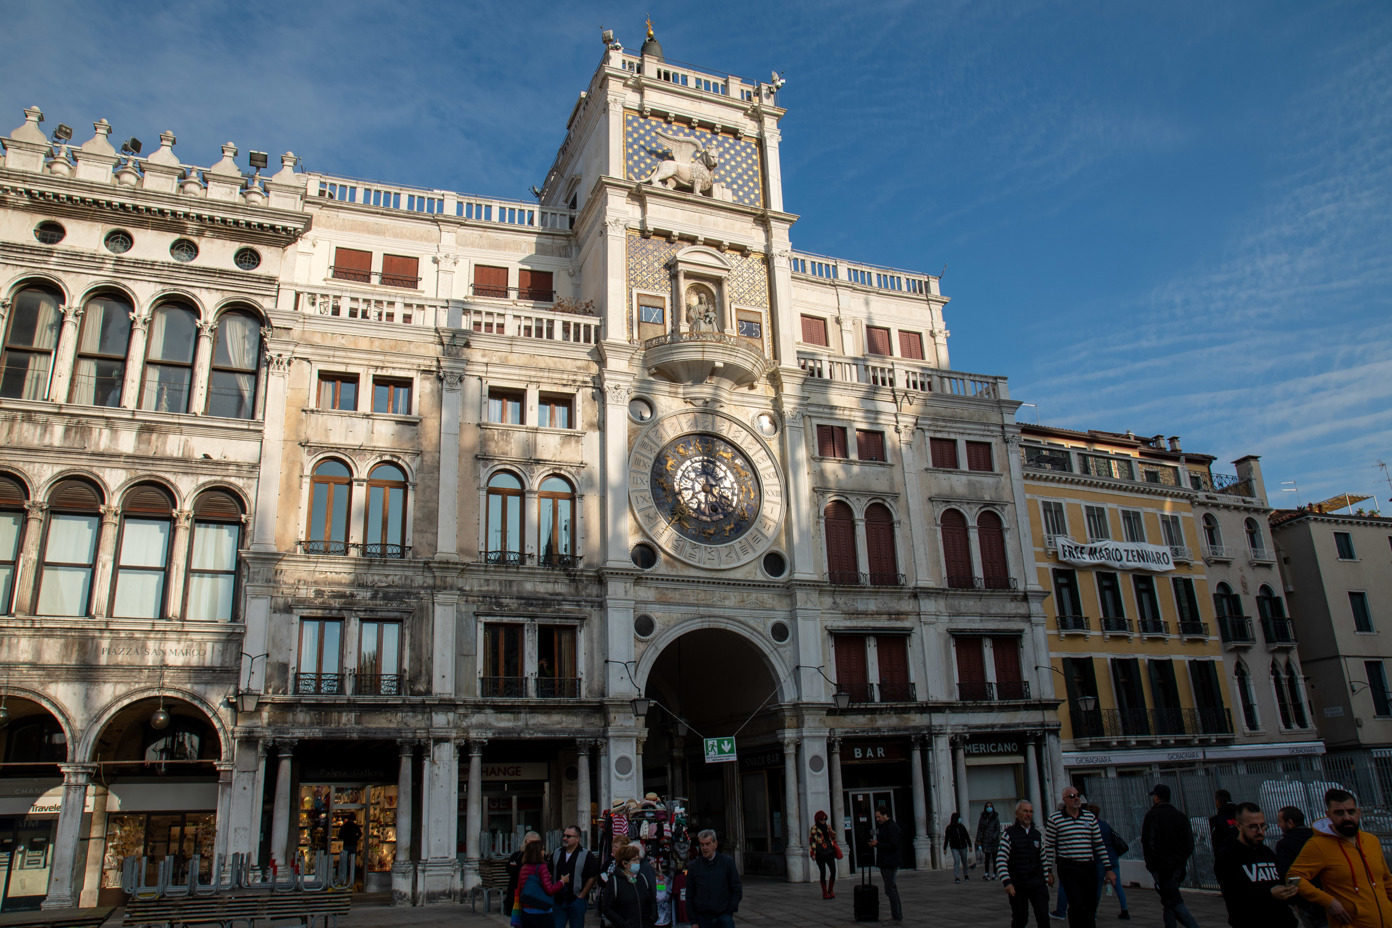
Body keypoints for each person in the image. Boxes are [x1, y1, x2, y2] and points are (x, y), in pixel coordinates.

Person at [1290, 788, 1392, 928]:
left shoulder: (1371, 841)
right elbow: (1293, 878)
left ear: (1358, 812)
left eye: (1351, 811)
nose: (1347, 817)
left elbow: (1386, 880)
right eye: (1339, 813)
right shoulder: (1318, 845)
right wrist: (1328, 902)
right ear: (1329, 815)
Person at [1214, 801, 1297, 928]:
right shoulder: (1228, 856)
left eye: (1263, 826)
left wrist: (1288, 891)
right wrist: (1269, 895)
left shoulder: (1267, 852)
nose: (1260, 831)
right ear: (1238, 826)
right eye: (1253, 826)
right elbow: (1235, 898)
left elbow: (1278, 882)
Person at [1044, 787, 1114, 928]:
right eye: (1071, 796)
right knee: (1076, 904)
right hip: (1068, 866)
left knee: (1090, 904)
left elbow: (1099, 844)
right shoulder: (1055, 819)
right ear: (1064, 800)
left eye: (1077, 795)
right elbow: (1048, 846)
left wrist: (1109, 868)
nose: (1076, 798)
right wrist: (1048, 871)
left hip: (1087, 866)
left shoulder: (1089, 817)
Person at [1141, 784, 1201, 928]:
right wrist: (1181, 860)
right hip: (1178, 867)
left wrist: (1151, 865)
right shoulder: (1180, 816)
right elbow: (1189, 843)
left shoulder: (1152, 815)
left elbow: (1148, 842)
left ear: (1156, 797)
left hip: (1162, 867)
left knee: (1174, 902)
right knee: (1169, 902)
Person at [999, 800, 1050, 928]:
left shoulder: (1036, 835)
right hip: (1018, 885)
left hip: (1037, 883)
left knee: (1043, 917)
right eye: (1025, 811)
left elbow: (1043, 858)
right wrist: (1007, 881)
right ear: (1017, 813)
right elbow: (1001, 859)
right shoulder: (1009, 834)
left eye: (1031, 811)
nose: (1028, 814)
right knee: (1020, 918)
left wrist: (1047, 874)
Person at [1275, 807, 1323, 928]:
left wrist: (1294, 901)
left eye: (1280, 821)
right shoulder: (1316, 838)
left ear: (1290, 823)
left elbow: (1288, 873)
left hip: (1307, 901)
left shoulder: (1285, 844)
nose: (1278, 825)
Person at [685, 829, 741, 928]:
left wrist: (730, 911)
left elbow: (736, 888)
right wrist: (693, 921)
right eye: (702, 844)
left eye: (708, 844)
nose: (705, 848)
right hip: (702, 919)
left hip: (724, 917)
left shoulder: (727, 863)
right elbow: (689, 894)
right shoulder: (694, 866)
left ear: (715, 844)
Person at [552, 824, 600, 928]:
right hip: (559, 901)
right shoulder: (557, 853)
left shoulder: (586, 855)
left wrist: (582, 895)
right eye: (564, 835)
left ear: (577, 839)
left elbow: (593, 876)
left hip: (576, 900)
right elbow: (550, 871)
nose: (565, 838)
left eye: (568, 836)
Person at [514, 838, 569, 928]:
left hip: (526, 910)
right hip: (541, 911)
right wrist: (562, 882)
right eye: (542, 849)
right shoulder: (542, 867)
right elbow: (550, 890)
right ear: (538, 852)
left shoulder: (523, 868)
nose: (544, 852)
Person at [1089, 803, 1130, 920]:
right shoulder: (1105, 824)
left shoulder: (1092, 826)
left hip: (1100, 859)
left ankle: (1094, 913)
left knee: (1096, 887)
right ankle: (1124, 909)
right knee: (1117, 885)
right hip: (1113, 857)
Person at [598, 845, 654, 928]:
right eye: (634, 860)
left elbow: (651, 900)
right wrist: (623, 923)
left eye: (638, 859)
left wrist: (652, 917)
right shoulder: (614, 882)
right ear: (624, 863)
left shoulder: (642, 878)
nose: (637, 863)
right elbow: (606, 908)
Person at [869, 807, 904, 923]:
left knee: (890, 889)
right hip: (885, 862)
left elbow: (893, 845)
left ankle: (897, 917)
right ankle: (896, 915)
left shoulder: (892, 827)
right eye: (876, 817)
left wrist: (878, 844)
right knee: (892, 889)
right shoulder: (885, 827)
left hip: (890, 862)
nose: (877, 819)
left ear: (885, 815)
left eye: (879, 816)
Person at [509, 832, 544, 924]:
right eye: (529, 843)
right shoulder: (517, 855)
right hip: (518, 891)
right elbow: (509, 868)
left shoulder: (543, 858)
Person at [808, 810, 840, 899]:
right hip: (820, 853)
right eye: (822, 819)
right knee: (823, 872)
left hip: (829, 851)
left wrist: (833, 832)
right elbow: (812, 841)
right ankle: (825, 892)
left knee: (833, 871)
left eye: (825, 819)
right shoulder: (814, 828)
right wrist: (813, 853)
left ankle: (831, 890)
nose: (823, 821)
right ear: (817, 820)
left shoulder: (827, 827)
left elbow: (832, 838)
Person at [946, 811, 972, 883]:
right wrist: (945, 848)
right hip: (954, 847)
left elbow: (966, 836)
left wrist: (970, 845)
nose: (960, 819)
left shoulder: (962, 826)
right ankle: (956, 876)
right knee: (956, 861)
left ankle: (966, 874)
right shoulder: (949, 828)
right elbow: (947, 838)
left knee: (964, 861)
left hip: (963, 846)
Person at [979, 803, 1003, 880]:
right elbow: (980, 829)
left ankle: (994, 874)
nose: (989, 808)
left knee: (994, 857)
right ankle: (986, 873)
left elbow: (998, 828)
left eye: (990, 806)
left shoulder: (995, 817)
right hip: (986, 840)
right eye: (987, 807)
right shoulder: (983, 817)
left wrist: (994, 836)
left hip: (993, 841)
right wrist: (978, 840)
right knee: (987, 857)